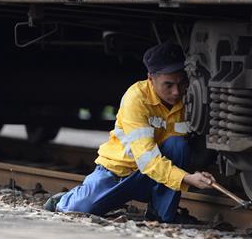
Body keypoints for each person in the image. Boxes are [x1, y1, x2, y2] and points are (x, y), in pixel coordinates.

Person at [44, 42, 215, 222]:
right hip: (119, 173)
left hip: (153, 177)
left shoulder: (189, 99)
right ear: (151, 79)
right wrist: (187, 178)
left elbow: (184, 150)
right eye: (168, 85)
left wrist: (198, 173)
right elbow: (147, 160)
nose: (176, 92)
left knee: (177, 145)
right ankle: (64, 200)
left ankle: (161, 215)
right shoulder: (136, 98)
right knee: (79, 209)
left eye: (181, 83)